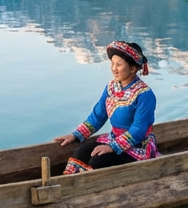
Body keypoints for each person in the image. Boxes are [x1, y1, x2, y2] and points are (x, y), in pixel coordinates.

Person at [54, 41, 156, 174]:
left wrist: (113, 147)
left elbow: (139, 130)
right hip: (113, 138)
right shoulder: (111, 88)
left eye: (118, 64)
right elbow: (97, 117)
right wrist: (75, 135)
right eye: (112, 63)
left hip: (137, 145)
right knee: (80, 153)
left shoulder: (145, 95)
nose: (114, 68)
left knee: (98, 161)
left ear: (133, 69)